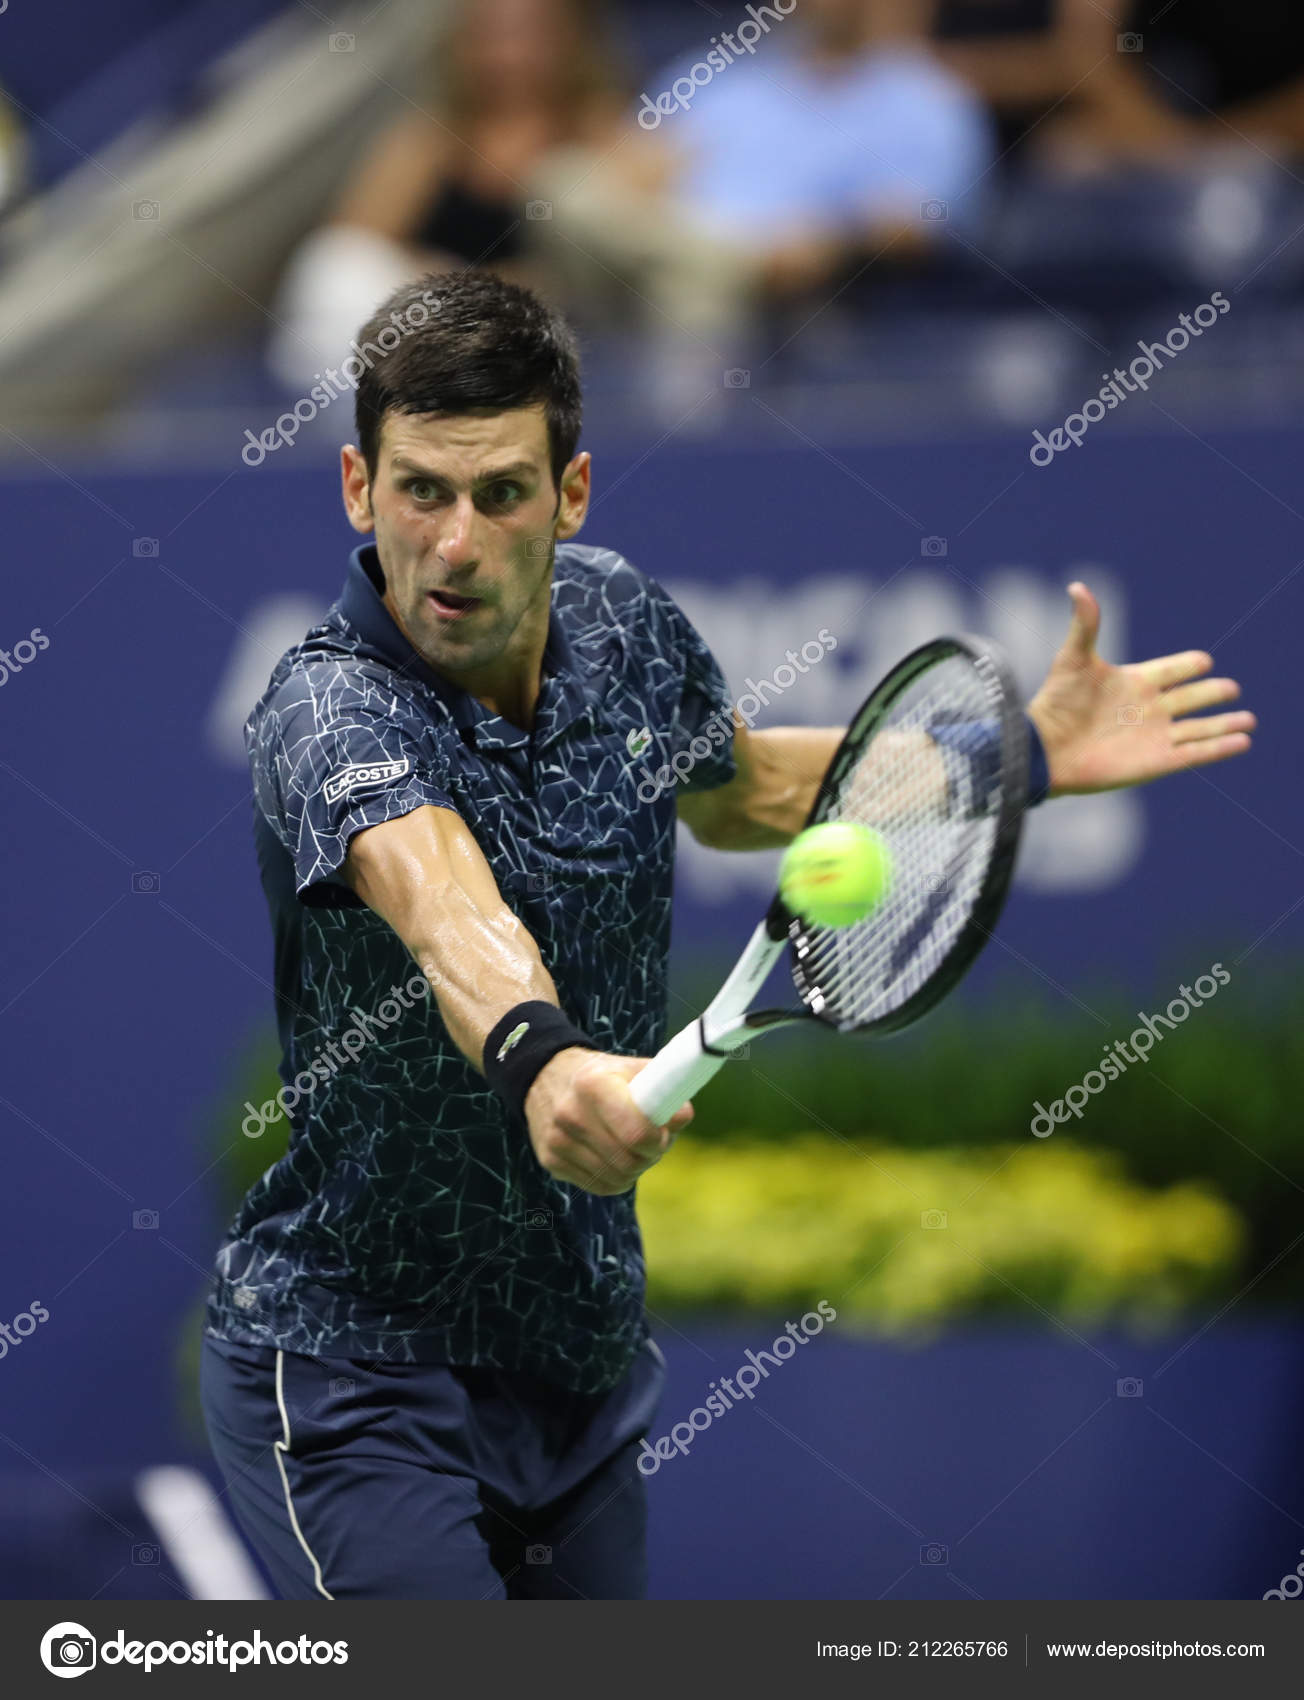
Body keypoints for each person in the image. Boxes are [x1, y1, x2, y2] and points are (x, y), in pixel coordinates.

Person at [200, 269, 1254, 1600]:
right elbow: (441, 900)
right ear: (359, 488)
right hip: (355, 1370)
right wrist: (545, 1060)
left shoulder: (627, 626)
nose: (456, 543)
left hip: (574, 1373)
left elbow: (746, 789)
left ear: (569, 497)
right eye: (422, 491)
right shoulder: (326, 711)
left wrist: (1019, 751)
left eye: (501, 493)